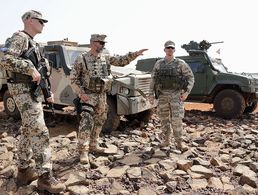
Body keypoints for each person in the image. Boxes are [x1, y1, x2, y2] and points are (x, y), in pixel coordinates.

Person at [0, 10, 65, 193]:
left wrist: (47, 92)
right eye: (40, 20)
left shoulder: (34, 44)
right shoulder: (19, 37)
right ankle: (45, 177)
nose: (43, 24)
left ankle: (24, 171)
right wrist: (29, 68)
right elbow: (6, 59)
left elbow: (42, 72)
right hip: (22, 90)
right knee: (39, 131)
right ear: (29, 20)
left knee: (29, 130)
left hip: (33, 92)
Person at [70, 34, 148, 165]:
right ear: (92, 43)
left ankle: (94, 145)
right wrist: (81, 93)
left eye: (104, 43)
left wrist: (135, 54)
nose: (103, 45)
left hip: (102, 96)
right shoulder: (81, 59)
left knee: (100, 120)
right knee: (87, 122)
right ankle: (83, 150)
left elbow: (121, 60)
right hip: (88, 96)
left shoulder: (105, 58)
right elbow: (73, 79)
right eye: (100, 42)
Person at [149, 40, 194, 152]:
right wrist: (150, 94)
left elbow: (190, 77)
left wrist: (186, 92)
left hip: (176, 96)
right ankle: (166, 140)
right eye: (168, 48)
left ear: (174, 50)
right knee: (164, 119)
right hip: (162, 96)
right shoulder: (159, 64)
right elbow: (153, 79)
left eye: (171, 48)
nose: (170, 49)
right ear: (164, 49)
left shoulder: (180, 63)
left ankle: (179, 143)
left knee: (177, 120)